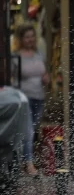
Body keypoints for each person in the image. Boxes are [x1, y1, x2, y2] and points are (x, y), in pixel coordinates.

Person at [15, 23, 49, 176]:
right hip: (24, 98)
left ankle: (21, 159)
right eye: (27, 37)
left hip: (38, 97)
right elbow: (11, 78)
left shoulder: (39, 54)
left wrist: (45, 77)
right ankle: (29, 165)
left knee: (32, 129)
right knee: (28, 130)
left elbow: (44, 72)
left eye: (32, 36)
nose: (30, 39)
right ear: (21, 39)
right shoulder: (16, 56)